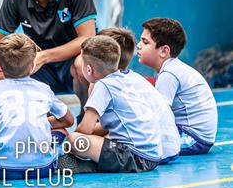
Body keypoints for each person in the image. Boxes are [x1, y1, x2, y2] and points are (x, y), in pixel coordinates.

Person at [0, 34, 74, 180]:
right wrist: (40, 123)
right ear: (33, 67)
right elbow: (69, 121)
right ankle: (54, 158)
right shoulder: (44, 89)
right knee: (61, 131)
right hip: (42, 169)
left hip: (3, 170)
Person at [63, 36, 164, 173]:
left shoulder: (103, 86)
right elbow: (102, 128)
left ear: (88, 70)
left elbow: (85, 129)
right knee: (97, 137)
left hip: (136, 158)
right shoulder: (123, 78)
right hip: (153, 155)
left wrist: (66, 145)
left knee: (75, 139)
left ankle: (86, 166)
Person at [98, 27, 180, 163]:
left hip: (153, 151)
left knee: (82, 142)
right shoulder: (133, 78)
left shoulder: (110, 84)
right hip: (170, 148)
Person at [137, 18, 218, 155]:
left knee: (140, 142)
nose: (138, 45)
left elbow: (160, 115)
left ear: (163, 51)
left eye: (145, 42)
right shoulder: (171, 69)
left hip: (194, 138)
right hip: (195, 134)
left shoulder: (169, 74)